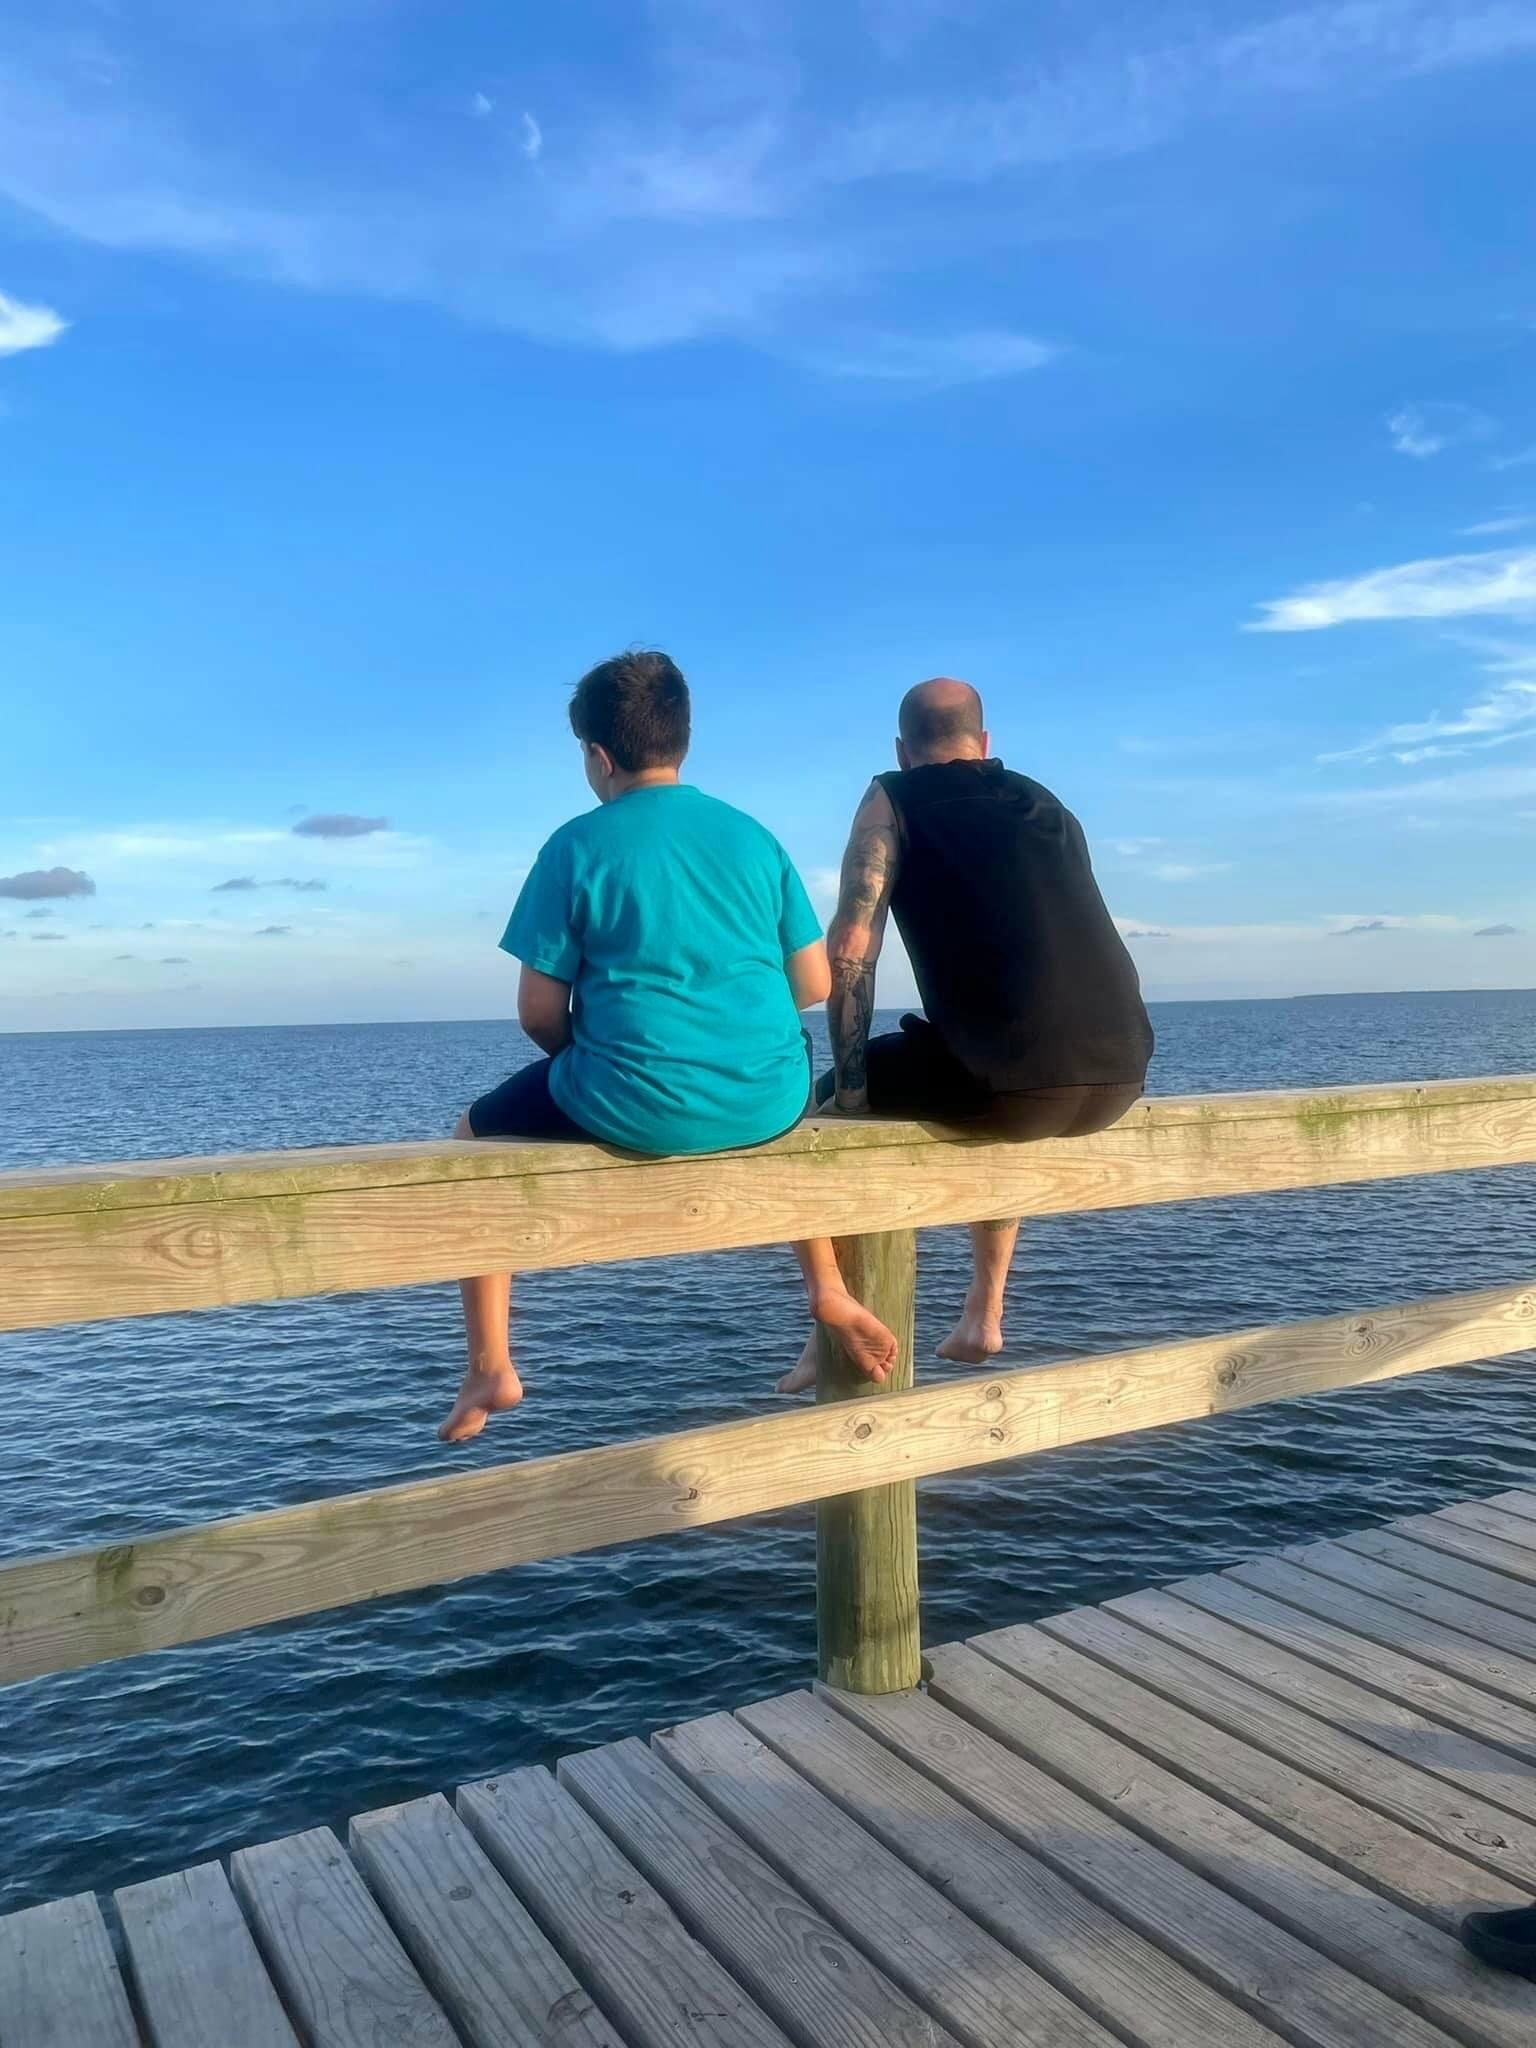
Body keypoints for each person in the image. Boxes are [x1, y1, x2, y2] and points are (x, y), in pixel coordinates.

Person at [442, 650, 897, 1443]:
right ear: (682, 738)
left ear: (598, 755)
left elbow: (538, 1011)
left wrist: (591, 1052)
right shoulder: (752, 837)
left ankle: (490, 1364)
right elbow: (817, 983)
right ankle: (826, 1290)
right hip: (770, 1094)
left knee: (470, 1139)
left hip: (634, 1097)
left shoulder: (577, 846)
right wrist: (731, 1020)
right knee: (773, 1116)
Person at [780, 676, 1153, 1395]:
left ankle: (829, 1322)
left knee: (818, 1113)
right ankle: (985, 1309)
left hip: (1011, 1081)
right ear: (985, 745)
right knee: (1002, 1084)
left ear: (902, 748)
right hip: (1122, 1073)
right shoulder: (1047, 803)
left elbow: (853, 947)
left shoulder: (893, 794)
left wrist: (851, 1094)